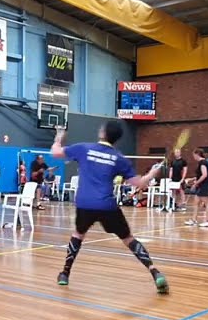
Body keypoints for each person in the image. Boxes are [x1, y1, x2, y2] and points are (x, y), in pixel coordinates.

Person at [50, 121, 169, 293]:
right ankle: (154, 272)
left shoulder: (84, 148)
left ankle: (65, 274)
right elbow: (139, 184)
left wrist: (59, 136)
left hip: (84, 203)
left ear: (103, 133)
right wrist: (152, 173)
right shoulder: (119, 158)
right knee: (128, 239)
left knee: (78, 235)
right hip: (107, 205)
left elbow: (55, 152)